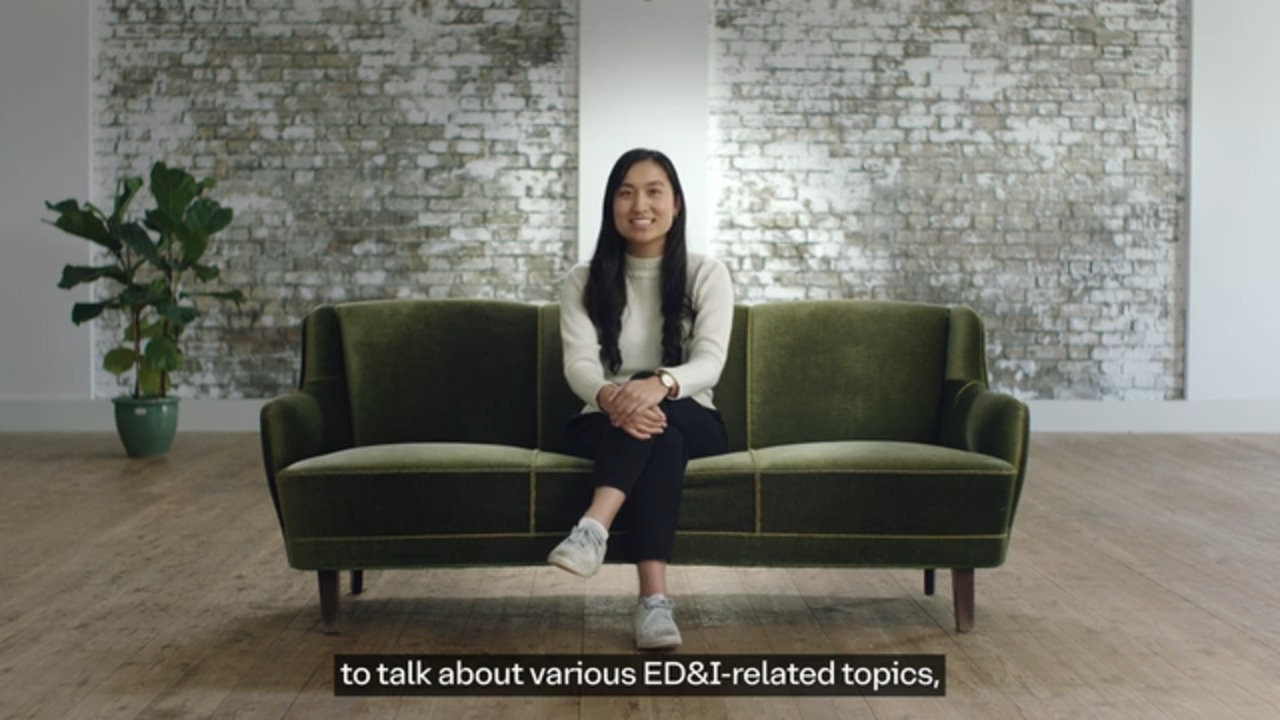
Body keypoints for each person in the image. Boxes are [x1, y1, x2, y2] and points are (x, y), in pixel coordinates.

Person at [548, 148, 734, 651]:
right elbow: (580, 365)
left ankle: (592, 527)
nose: (640, 205)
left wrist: (660, 384)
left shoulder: (706, 274)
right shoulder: (583, 281)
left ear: (676, 203)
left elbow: (710, 363)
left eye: (654, 191)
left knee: (664, 420)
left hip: (694, 414)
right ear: (612, 206)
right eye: (626, 192)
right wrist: (612, 395)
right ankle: (653, 603)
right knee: (660, 437)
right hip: (604, 419)